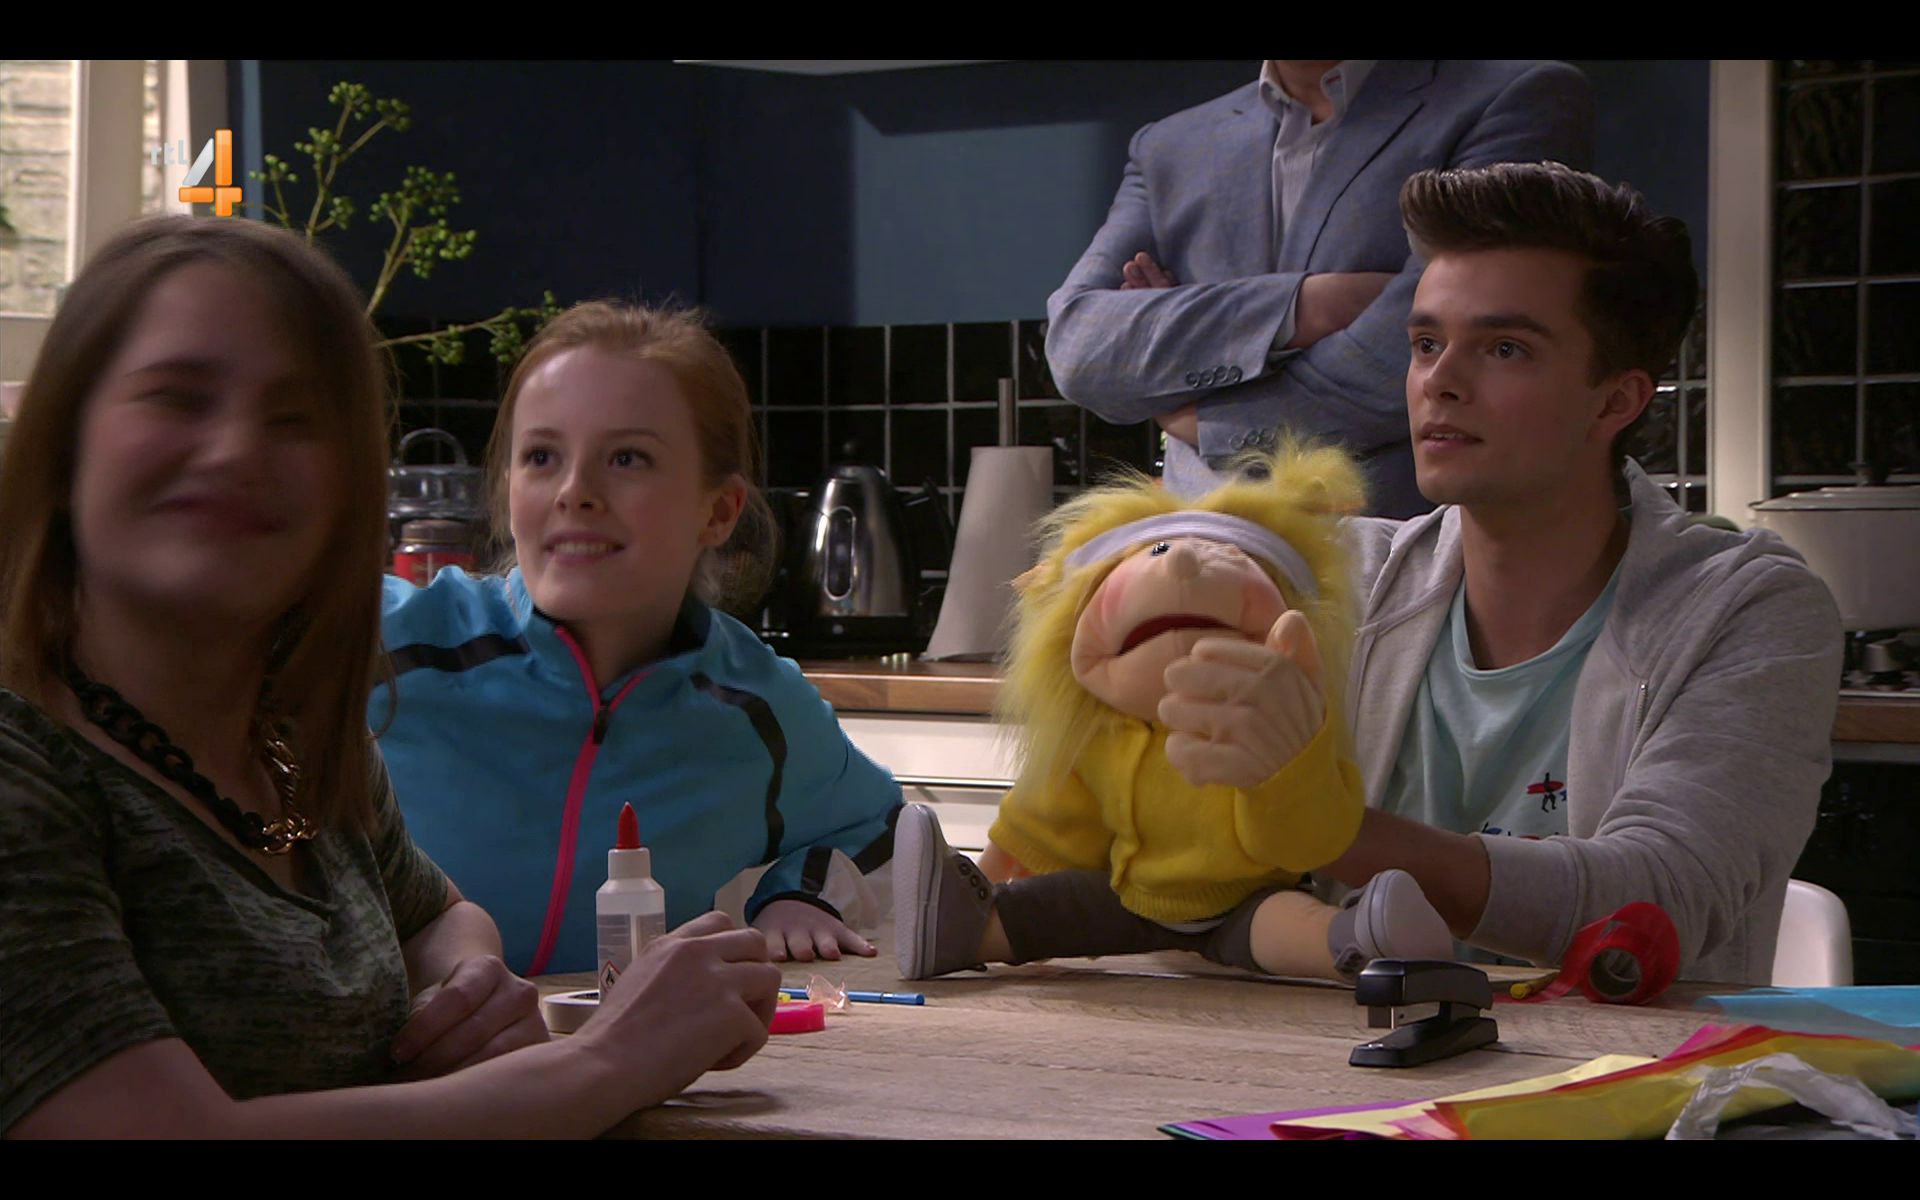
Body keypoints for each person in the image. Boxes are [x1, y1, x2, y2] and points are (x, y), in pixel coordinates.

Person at [901, 163, 1841, 987]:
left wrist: (1322, 822)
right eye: (1427, 343)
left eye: (1504, 348)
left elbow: (1658, 901)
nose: (1440, 381)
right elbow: (1175, 848)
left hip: (1623, 1084)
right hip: (1336, 1079)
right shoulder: (1336, 578)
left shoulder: (1749, 608)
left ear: (1616, 399)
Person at [0, 216, 782, 1138]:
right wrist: (611, 1056)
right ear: (62, 445)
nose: (236, 449)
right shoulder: (23, 761)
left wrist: (468, 981)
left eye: (295, 420)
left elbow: (435, 915)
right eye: (177, 398)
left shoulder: (295, 739)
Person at [373, 302, 904, 977]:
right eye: (541, 456)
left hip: (624, 1044)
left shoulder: (757, 708)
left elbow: (883, 826)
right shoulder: (387, 646)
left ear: (718, 511)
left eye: (627, 458)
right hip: (393, 1040)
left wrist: (802, 896)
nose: (574, 491)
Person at [1045, 59, 1593, 516]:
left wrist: (1207, 421)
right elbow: (1079, 347)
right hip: (1204, 556)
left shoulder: (1514, 98)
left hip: (1405, 563)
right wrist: (1310, 306)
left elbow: (1425, 354)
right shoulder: (1167, 147)